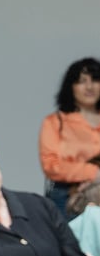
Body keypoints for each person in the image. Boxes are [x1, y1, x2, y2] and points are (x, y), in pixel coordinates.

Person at [39, 58, 100, 216]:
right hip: (68, 197)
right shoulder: (55, 122)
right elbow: (51, 165)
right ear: (71, 87)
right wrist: (94, 173)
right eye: (82, 81)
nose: (89, 87)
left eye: (95, 80)